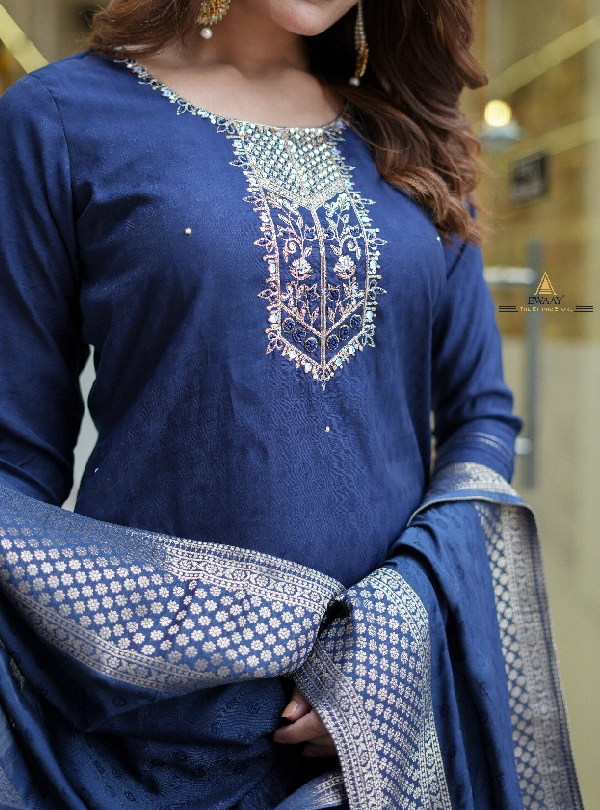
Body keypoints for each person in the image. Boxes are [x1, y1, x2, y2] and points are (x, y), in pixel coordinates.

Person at [0, 0, 583, 808]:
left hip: (380, 741)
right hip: (137, 740)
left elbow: (479, 417)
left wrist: (398, 627)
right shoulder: (59, 117)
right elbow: (13, 464)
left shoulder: (412, 137)